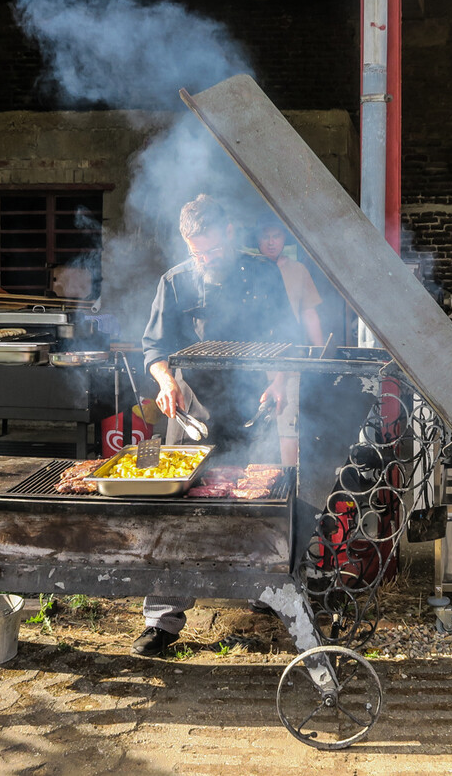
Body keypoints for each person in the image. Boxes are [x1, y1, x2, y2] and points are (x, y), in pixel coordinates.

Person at [133, 194, 299, 657]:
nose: (205, 259)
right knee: (177, 508)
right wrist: (166, 382)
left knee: (256, 499)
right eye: (196, 252)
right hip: (191, 410)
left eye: (212, 249)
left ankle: (259, 590)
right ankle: (162, 619)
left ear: (229, 232)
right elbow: (154, 348)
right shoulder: (176, 281)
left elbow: (284, 338)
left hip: (250, 404)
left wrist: (281, 381)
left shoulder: (262, 273)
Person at [255, 216, 325, 465]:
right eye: (266, 236)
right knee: (255, 427)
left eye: (276, 236)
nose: (271, 242)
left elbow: (308, 312)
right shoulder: (247, 270)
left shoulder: (298, 270)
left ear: (284, 239)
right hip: (252, 359)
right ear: (257, 239)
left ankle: (288, 482)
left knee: (287, 425)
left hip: (289, 357)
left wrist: (321, 354)